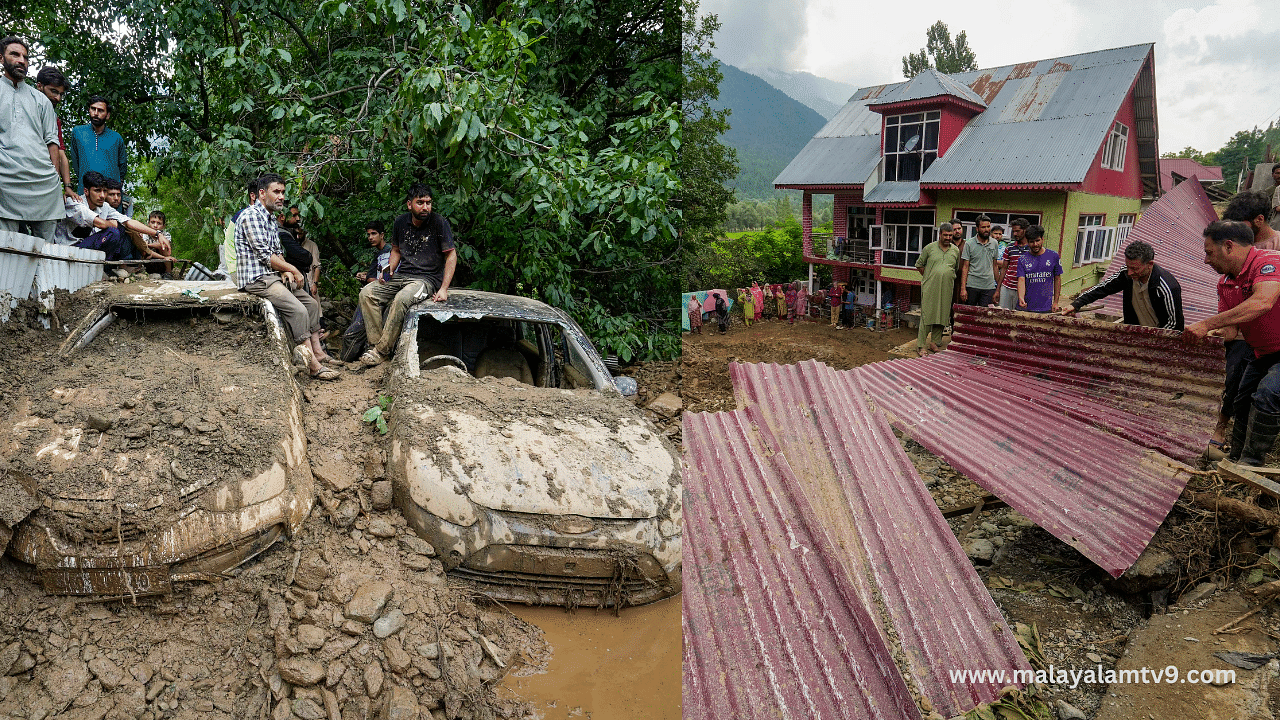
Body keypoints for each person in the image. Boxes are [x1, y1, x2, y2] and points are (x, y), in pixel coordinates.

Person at [1185, 221, 1280, 466]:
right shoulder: (1225, 284)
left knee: (1267, 395)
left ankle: (1251, 464)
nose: (1206, 260)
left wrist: (1206, 324)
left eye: (1209, 252)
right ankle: (1235, 458)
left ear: (1228, 246)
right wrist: (1203, 339)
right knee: (1241, 399)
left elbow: (1263, 302)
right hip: (1263, 351)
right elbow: (1230, 332)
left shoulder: (1268, 263)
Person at [234, 173, 340, 380]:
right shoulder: (251, 216)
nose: (281, 196)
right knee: (298, 310)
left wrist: (284, 270)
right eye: (276, 192)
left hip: (271, 275)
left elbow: (276, 252)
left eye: (283, 192)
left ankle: (318, 351)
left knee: (310, 304)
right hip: (257, 279)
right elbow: (265, 255)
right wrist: (293, 269)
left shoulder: (271, 218)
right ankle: (313, 365)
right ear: (262, 194)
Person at [358, 183, 457, 366]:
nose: (425, 207)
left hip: (426, 279)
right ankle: (377, 346)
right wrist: (387, 272)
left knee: (403, 298)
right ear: (409, 204)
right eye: (420, 202)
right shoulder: (400, 222)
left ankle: (381, 351)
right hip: (402, 274)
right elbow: (396, 250)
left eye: (428, 202)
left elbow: (451, 255)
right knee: (367, 293)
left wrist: (444, 288)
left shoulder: (439, 223)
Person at [0, 37, 64, 242]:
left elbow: (52, 141)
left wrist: (54, 176)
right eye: (15, 54)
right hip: (6, 177)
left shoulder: (41, 100)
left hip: (42, 180)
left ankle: (43, 275)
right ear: (1, 58)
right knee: (7, 244)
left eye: (25, 57)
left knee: (45, 246)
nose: (21, 61)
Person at [1061, 240, 1183, 330]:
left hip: (1158, 340)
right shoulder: (1126, 273)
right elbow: (1102, 288)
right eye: (1128, 266)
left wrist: (1155, 343)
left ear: (1150, 264)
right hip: (1134, 332)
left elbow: (1174, 325)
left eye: (1134, 268)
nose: (1129, 272)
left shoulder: (1166, 287)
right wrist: (1076, 304)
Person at [63, 171, 167, 270]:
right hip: (70, 250)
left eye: (104, 191)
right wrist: (111, 223)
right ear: (86, 191)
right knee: (113, 231)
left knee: (122, 229)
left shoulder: (104, 206)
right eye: (97, 191)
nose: (102, 196)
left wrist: (157, 234)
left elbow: (128, 221)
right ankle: (105, 269)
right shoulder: (74, 202)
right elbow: (100, 223)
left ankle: (108, 268)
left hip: (88, 246)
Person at [34, 66, 77, 202]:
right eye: (53, 91)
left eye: (60, 94)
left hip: (47, 178)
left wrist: (67, 186)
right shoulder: (25, 110)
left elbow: (61, 153)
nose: (57, 98)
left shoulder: (54, 119)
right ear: (39, 86)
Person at [915, 222, 960, 355]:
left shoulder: (955, 250)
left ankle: (935, 342)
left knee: (942, 315)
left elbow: (955, 269)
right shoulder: (929, 248)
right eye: (945, 235)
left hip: (947, 288)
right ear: (940, 234)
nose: (948, 238)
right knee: (927, 315)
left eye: (950, 235)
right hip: (930, 288)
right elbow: (919, 265)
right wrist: (930, 277)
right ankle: (921, 345)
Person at [67, 95, 127, 193]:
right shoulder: (78, 132)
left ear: (108, 115)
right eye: (93, 109)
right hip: (86, 192)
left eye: (100, 110)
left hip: (110, 194)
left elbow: (122, 167)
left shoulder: (116, 138)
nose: (96, 113)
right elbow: (75, 161)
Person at [1017, 225, 1062, 313]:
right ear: (1027, 242)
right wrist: (1021, 298)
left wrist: (1056, 302)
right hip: (1026, 307)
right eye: (1032, 242)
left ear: (1042, 239)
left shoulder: (1053, 256)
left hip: (1046, 308)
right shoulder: (1022, 259)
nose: (1035, 244)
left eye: (1037, 240)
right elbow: (1021, 280)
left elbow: (1057, 279)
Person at [960, 214, 1001, 307]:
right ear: (977, 229)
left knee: (985, 316)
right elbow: (965, 267)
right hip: (972, 286)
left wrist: (998, 288)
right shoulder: (969, 244)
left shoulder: (994, 243)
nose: (986, 229)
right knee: (970, 314)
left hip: (988, 287)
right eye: (983, 227)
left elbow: (995, 266)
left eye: (988, 226)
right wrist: (963, 289)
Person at [995, 218, 1030, 309]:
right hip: (1007, 287)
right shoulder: (1010, 247)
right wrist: (998, 289)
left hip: (1024, 290)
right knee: (1002, 314)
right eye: (1013, 231)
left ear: (1025, 230)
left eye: (1017, 231)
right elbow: (1004, 269)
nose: (1015, 234)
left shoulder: (1031, 249)